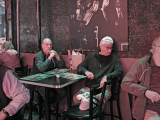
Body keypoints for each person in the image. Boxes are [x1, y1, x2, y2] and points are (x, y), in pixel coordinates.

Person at [73, 36, 123, 109]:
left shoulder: (114, 58)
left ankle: (89, 101)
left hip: (104, 89)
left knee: (96, 101)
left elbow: (119, 71)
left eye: (111, 48)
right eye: (107, 48)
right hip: (89, 88)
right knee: (75, 98)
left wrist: (107, 76)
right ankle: (88, 100)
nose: (110, 51)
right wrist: (86, 72)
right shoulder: (91, 56)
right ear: (101, 46)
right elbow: (80, 67)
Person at [121, 36, 160, 120]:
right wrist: (145, 92)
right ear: (153, 49)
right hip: (150, 110)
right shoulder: (142, 64)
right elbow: (125, 84)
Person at [30, 38, 65, 109]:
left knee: (63, 92)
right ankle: (46, 109)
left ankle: (48, 106)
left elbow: (61, 66)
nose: (49, 46)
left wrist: (57, 57)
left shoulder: (51, 54)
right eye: (47, 45)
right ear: (42, 46)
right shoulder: (39, 55)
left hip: (48, 80)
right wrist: (50, 57)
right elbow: (41, 68)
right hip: (37, 81)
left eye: (50, 45)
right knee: (49, 95)